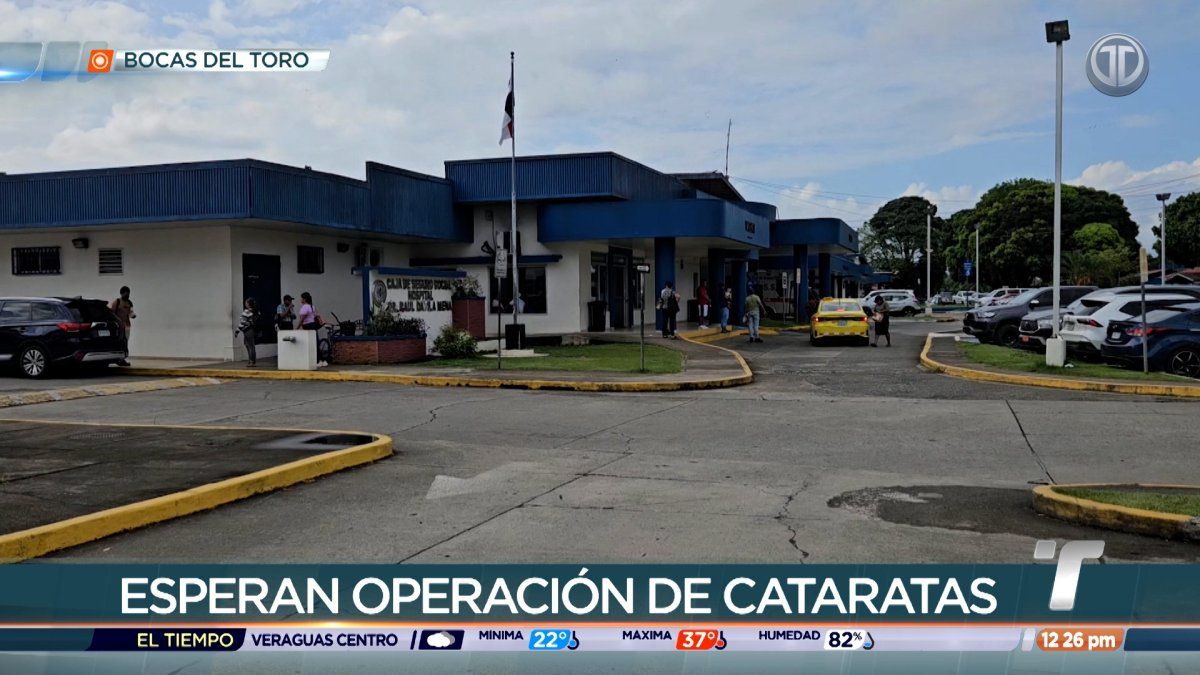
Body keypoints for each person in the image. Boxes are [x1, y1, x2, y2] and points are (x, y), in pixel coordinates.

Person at [110, 286, 135, 366]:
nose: (128, 295)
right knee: (119, 342)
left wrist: (133, 315)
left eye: (128, 293)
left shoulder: (129, 303)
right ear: (122, 293)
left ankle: (122, 359)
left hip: (127, 326)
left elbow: (131, 312)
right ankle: (117, 359)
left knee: (125, 342)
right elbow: (112, 313)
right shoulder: (117, 302)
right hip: (119, 326)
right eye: (126, 293)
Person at [234, 298, 261, 367]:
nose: (245, 303)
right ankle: (252, 361)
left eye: (246, 302)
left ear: (248, 304)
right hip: (252, 330)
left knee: (249, 346)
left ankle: (251, 361)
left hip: (247, 331)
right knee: (250, 346)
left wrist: (237, 331)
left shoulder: (246, 312)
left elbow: (242, 323)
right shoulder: (255, 311)